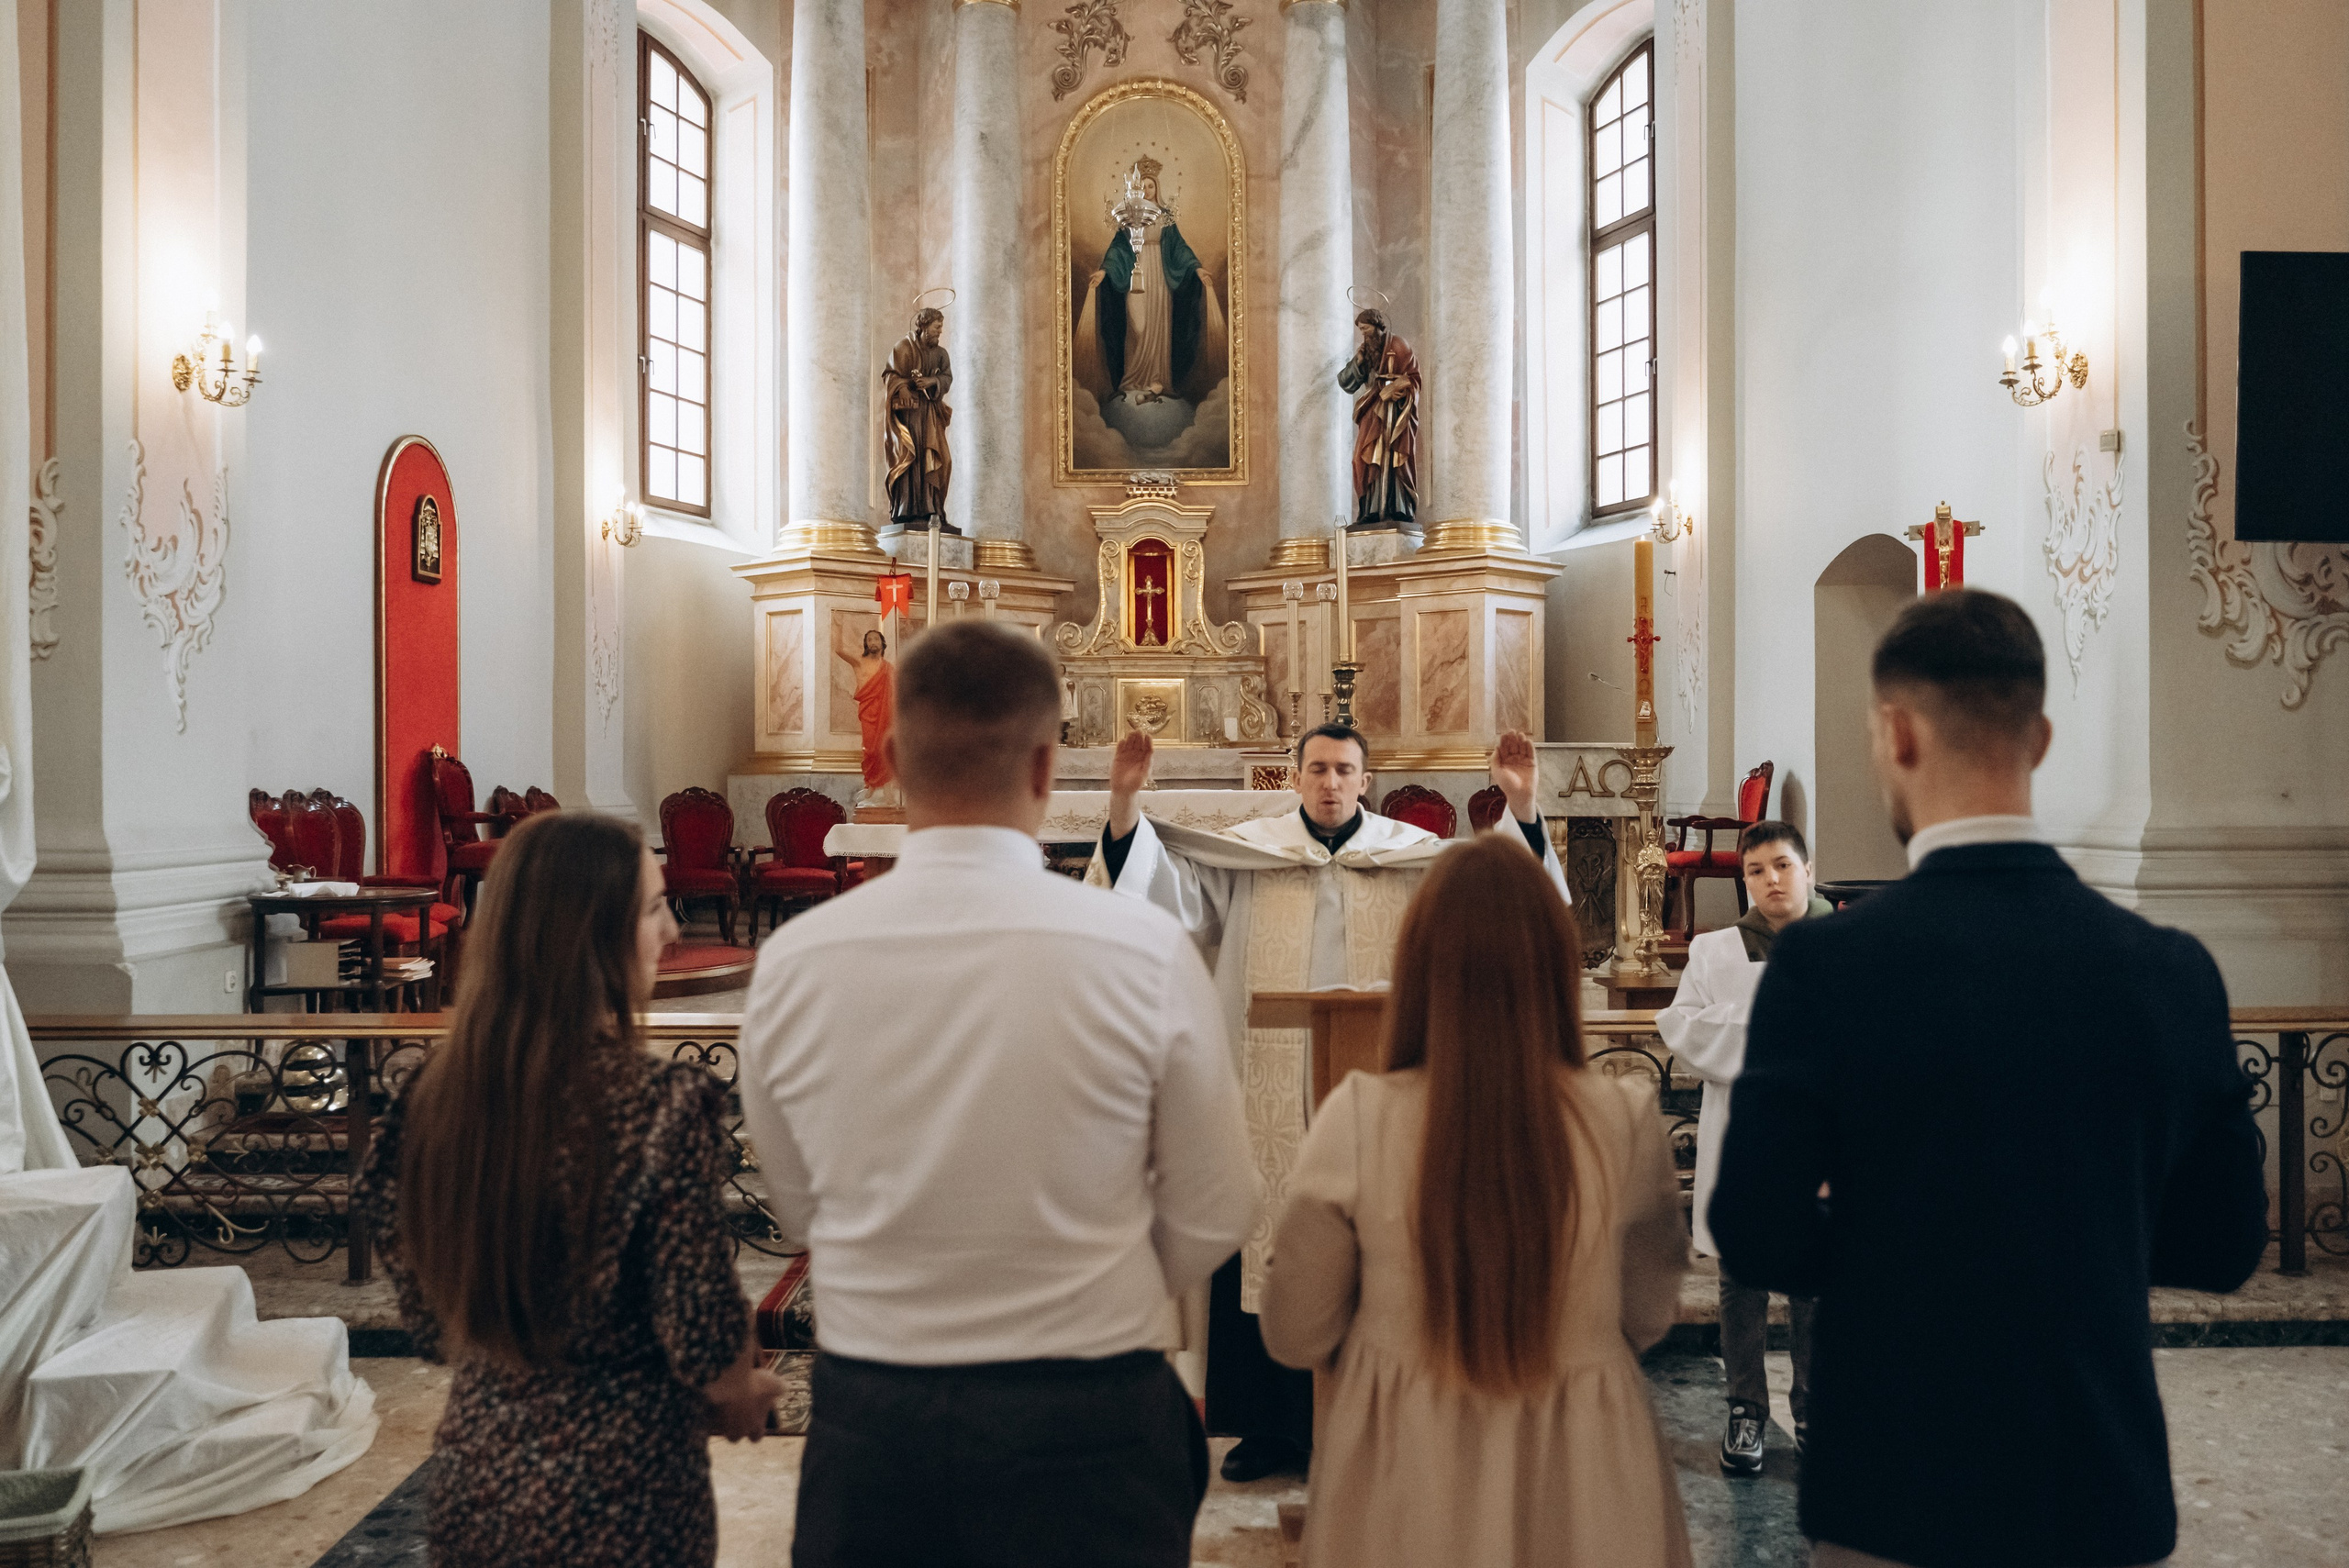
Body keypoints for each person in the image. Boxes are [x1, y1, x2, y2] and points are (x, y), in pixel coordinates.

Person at [1709, 589, 2269, 1568]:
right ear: (2041, 736)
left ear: (1893, 733)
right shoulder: (2168, 968)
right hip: (2092, 1475)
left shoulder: (1827, 968)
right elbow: (2223, 1243)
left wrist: (1900, 1239)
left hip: (1894, 1480)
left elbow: (1753, 1226)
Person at [738, 620, 1257, 1568]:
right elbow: (1218, 1202)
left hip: (876, 1423)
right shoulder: (1142, 950)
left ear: (890, 758)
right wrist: (1089, 1281)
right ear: (1047, 765)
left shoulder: (793, 963)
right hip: (1093, 1414)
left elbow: (801, 1201)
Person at [1092, 722, 1571, 1481]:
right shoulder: (1252, 853)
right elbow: (1163, 901)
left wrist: (1523, 809)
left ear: (1365, 778)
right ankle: (1273, 1427)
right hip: (1267, 1080)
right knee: (1269, 1234)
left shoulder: (1408, 853)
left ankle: (1382, 1414)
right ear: (1295, 775)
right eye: (1316, 768)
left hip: (1384, 1076)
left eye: (1344, 769)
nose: (1329, 782)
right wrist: (1124, 806)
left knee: (1382, 1229)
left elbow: (1500, 898)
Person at [351, 812, 783, 1568]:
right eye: (653, 907)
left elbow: (428, 1325)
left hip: (475, 1476)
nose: (673, 930)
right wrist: (739, 1391)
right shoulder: (661, 1103)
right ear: (594, 933)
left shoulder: (425, 1099)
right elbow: (703, 1333)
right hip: (622, 1495)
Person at [1259, 835, 1692, 1568]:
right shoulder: (1623, 1120)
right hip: (1584, 1473)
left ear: (1421, 968)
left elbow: (1295, 1331)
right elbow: (1648, 1314)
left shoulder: (1360, 1118)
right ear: (1555, 970)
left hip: (1408, 1474)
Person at [1656, 818, 1831, 1473]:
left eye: (1782, 865)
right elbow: (1685, 1030)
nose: (1770, 880)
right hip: (1745, 1132)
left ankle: (1816, 1410)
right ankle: (1746, 1409)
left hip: (1821, 1137)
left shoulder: (1844, 943)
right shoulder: (1717, 949)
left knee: (1815, 1279)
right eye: (1755, 870)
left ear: (1808, 869)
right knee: (1742, 1275)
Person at [1336, 307, 1421, 532]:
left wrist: (1396, 389)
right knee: (1362, 460)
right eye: (1361, 331)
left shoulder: (1399, 346)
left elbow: (1413, 379)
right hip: (1372, 410)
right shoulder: (1367, 351)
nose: (1364, 335)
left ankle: (1397, 509)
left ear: (1377, 326)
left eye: (1366, 330)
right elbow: (1346, 384)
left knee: (1392, 458)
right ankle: (1369, 510)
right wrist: (1359, 361)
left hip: (1395, 413)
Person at [882, 306, 952, 528]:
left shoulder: (941, 354)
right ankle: (906, 508)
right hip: (910, 416)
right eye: (937, 327)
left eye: (941, 327)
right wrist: (903, 386)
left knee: (941, 459)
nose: (940, 331)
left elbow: (947, 378)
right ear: (924, 326)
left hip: (930, 412)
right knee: (910, 459)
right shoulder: (904, 347)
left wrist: (932, 382)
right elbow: (890, 376)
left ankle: (933, 507)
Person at [836, 629, 894, 806]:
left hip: (885, 714)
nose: (873, 642)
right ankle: (870, 783)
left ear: (882, 643)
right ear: (866, 644)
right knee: (870, 750)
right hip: (869, 713)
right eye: (869, 639)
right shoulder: (860, 663)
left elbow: (896, 691)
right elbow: (839, 651)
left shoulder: (888, 668)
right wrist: (837, 627)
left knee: (883, 749)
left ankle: (884, 789)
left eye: (876, 639)